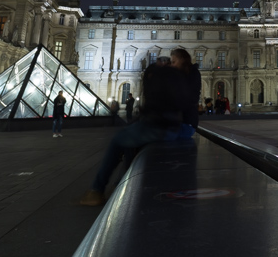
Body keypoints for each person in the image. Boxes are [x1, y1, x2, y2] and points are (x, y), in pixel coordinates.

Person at [79, 59, 185, 206]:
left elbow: (154, 108)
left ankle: (97, 190)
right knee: (129, 141)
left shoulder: (160, 78)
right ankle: (120, 183)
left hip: (159, 129)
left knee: (118, 140)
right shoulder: (174, 77)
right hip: (172, 127)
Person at [170, 48, 200, 138]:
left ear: (182, 59)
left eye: (174, 62)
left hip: (185, 124)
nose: (172, 65)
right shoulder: (183, 74)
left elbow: (188, 99)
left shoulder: (191, 74)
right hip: (182, 122)